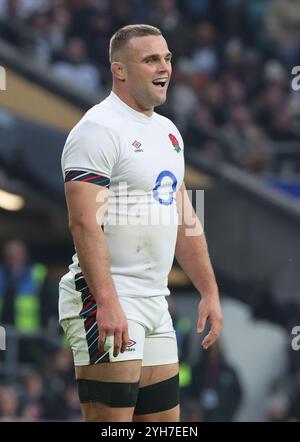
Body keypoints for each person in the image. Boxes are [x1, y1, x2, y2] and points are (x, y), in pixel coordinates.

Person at [59, 24, 223, 422]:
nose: (163, 67)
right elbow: (84, 225)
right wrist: (107, 301)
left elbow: (184, 218)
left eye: (166, 58)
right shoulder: (98, 129)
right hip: (108, 296)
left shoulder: (168, 132)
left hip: (154, 300)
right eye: (150, 59)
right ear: (120, 69)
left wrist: (209, 291)